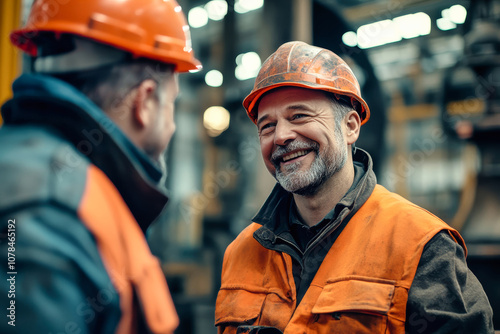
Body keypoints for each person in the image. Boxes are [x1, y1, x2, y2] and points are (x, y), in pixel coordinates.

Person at [215, 41, 494, 333]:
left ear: (350, 127)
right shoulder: (241, 252)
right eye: (267, 126)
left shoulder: (420, 245)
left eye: (299, 116)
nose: (282, 135)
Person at [0, 1, 201, 333]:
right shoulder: (49, 209)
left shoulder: (56, 179)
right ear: (145, 101)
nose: (173, 126)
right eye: (173, 104)